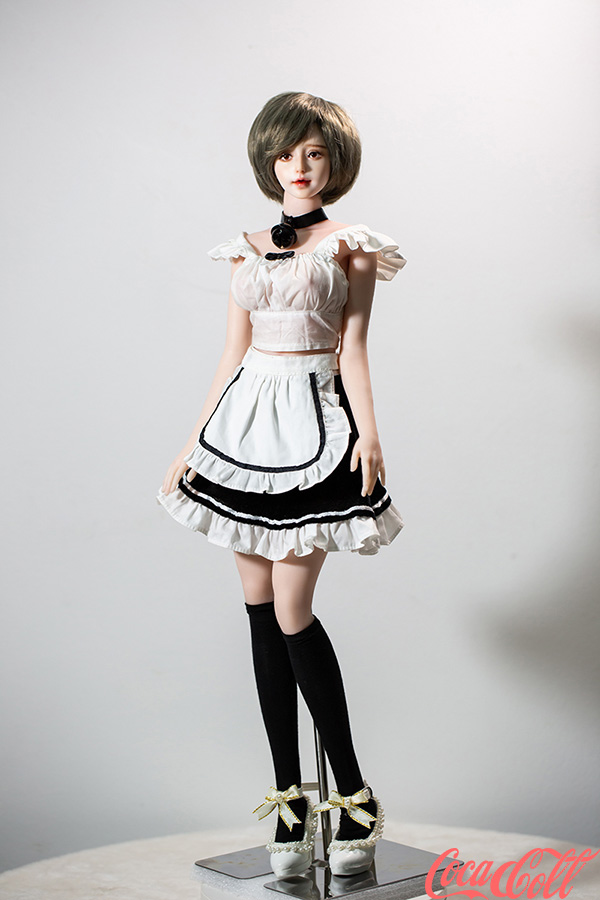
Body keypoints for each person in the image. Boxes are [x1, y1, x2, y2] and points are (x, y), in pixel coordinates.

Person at [157, 91, 406, 878]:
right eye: (287, 154)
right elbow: (230, 354)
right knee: (259, 610)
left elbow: (354, 347)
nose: (299, 167)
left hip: (314, 420)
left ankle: (354, 795)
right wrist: (194, 440)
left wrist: (369, 431)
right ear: (269, 161)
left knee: (294, 611)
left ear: (336, 162)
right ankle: (291, 801)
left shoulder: (350, 247)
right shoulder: (245, 250)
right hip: (243, 427)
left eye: (315, 153)